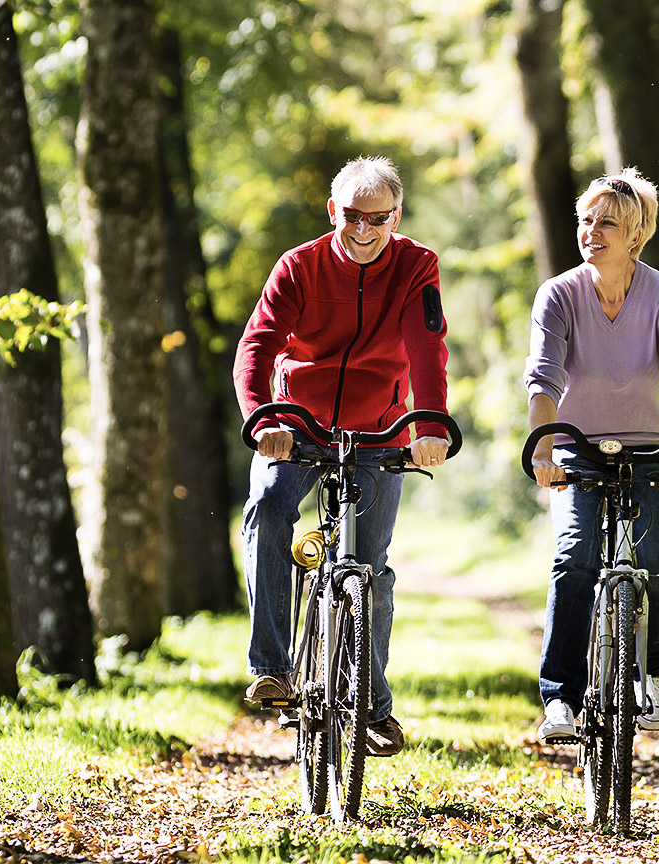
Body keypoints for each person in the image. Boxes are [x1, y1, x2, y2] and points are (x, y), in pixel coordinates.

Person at [234, 156, 451, 757]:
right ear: (334, 211)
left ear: (396, 216)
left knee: (371, 568)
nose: (363, 230)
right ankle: (272, 666)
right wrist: (263, 418)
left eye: (378, 219)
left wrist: (429, 424)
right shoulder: (299, 267)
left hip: (380, 429)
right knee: (270, 507)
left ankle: (375, 707)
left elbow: (426, 347)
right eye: (352, 216)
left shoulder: (415, 265)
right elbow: (257, 346)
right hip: (294, 423)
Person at [523, 168, 659, 742]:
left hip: (651, 448)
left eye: (606, 222)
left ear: (635, 236)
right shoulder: (558, 295)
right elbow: (544, 380)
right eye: (586, 220)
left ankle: (648, 675)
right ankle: (559, 697)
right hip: (578, 450)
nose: (591, 231)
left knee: (654, 561)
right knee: (574, 556)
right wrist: (543, 446)